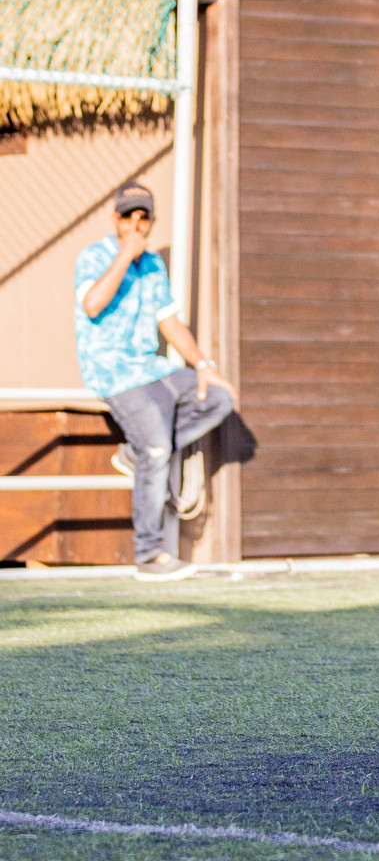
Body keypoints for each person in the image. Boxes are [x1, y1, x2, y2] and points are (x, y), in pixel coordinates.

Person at [73, 182, 235, 581]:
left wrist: (203, 365)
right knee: (159, 448)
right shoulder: (94, 256)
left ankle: (137, 451)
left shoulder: (153, 265)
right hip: (112, 371)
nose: (136, 223)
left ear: (151, 221)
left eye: (143, 216)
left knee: (218, 398)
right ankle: (149, 555)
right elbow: (92, 304)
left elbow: (169, 322)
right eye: (129, 215)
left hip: (152, 368)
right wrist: (125, 256)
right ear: (116, 218)